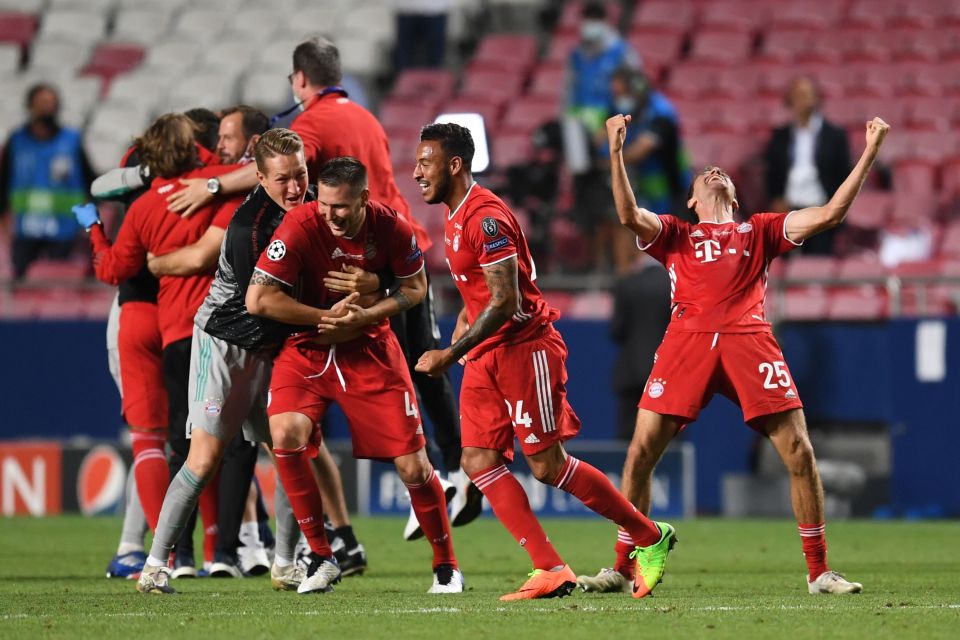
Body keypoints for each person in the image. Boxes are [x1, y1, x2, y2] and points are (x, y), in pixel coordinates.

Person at [166, 37, 477, 533]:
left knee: (305, 407)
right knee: (421, 368)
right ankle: (451, 474)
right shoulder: (367, 119)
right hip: (398, 255)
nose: (297, 184)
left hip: (356, 264)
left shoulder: (310, 124)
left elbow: (282, 170)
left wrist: (213, 185)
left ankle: (321, 535)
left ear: (299, 81)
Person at [577, 113, 890, 596]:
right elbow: (627, 216)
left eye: (723, 174)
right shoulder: (676, 235)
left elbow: (829, 214)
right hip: (687, 342)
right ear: (691, 199)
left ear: (736, 199)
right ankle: (621, 567)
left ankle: (819, 571)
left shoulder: (760, 231)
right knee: (639, 454)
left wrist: (869, 150)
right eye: (705, 175)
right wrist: (616, 153)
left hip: (750, 340)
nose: (715, 171)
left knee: (800, 453)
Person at [412, 122, 675, 601]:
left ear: (454, 165)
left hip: (524, 347)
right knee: (477, 459)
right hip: (485, 354)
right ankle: (550, 567)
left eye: (425, 162)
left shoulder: (484, 217)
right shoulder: (455, 217)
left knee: (547, 465)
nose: (416, 173)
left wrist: (452, 352)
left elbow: (506, 300)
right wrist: (460, 343)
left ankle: (649, 535)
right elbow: (478, 298)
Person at [245, 157, 463, 595]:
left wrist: (368, 311)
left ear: (364, 198)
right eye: (324, 204)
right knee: (285, 432)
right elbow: (258, 299)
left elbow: (416, 287)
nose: (330, 215)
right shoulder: (300, 226)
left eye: (341, 207)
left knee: (413, 467)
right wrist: (326, 317)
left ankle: (446, 566)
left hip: (369, 350)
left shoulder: (392, 228)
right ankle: (322, 557)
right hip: (308, 347)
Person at [73, 113, 244, 575]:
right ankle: (221, 549)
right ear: (198, 147)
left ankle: (164, 553)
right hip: (204, 323)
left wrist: (92, 228)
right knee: (211, 438)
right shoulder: (214, 180)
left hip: (142, 321)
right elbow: (250, 171)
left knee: (153, 441)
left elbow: (111, 266)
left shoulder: (144, 203)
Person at [592, 67, 691, 273]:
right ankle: (628, 281)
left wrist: (609, 159)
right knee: (625, 227)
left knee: (661, 240)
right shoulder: (629, 106)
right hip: (642, 186)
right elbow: (602, 134)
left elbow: (640, 151)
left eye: (622, 93)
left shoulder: (661, 113)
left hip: (669, 189)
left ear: (635, 90)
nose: (618, 99)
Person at [0, 83, 95, 279]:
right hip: (26, 226)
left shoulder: (72, 140)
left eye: (52, 102)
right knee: (19, 281)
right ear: (30, 106)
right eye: (42, 102)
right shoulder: (17, 141)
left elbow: (88, 179)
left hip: (64, 227)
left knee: (59, 282)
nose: (48, 107)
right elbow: (4, 181)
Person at [764, 76, 852, 256]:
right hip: (788, 212)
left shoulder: (835, 136)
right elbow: (772, 173)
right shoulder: (779, 136)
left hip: (821, 210)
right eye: (798, 95)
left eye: (807, 95)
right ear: (789, 100)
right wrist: (776, 198)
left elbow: (844, 174)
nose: (803, 100)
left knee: (818, 264)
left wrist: (833, 206)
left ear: (817, 99)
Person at [609, 254, 671, 441]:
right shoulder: (678, 285)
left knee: (628, 439)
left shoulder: (627, 283)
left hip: (632, 374)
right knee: (668, 438)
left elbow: (617, 332)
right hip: (667, 375)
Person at [566, 1, 639, 137]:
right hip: (579, 119)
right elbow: (568, 90)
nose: (590, 24)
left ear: (605, 21)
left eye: (595, 19)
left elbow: (634, 86)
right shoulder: (576, 55)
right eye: (588, 19)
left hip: (609, 120)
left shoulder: (621, 52)